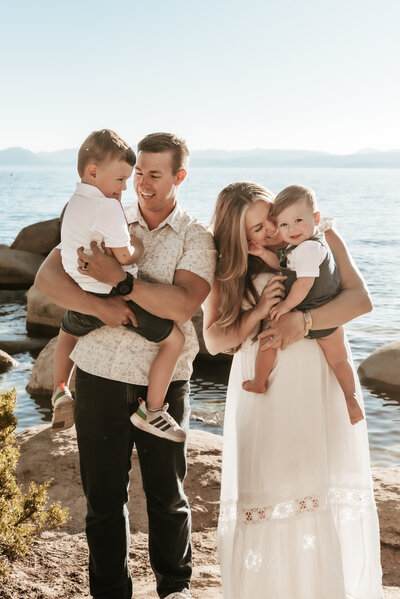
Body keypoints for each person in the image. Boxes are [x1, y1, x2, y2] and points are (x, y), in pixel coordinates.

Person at [35, 132, 216, 599]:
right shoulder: (106, 208)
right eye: (138, 173)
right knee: (103, 501)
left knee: (167, 497)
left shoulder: (196, 236)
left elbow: (182, 303)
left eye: (155, 174)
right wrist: (98, 308)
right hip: (96, 375)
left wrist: (119, 283)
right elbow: (48, 276)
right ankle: (110, 592)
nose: (142, 183)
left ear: (180, 177)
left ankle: (175, 587)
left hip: (164, 384)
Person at [203, 181, 382, 599]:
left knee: (320, 485)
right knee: (267, 488)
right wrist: (260, 312)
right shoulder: (226, 268)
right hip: (264, 385)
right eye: (254, 230)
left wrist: (300, 323)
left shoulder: (319, 235)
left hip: (317, 373)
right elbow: (214, 341)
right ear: (236, 235)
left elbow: (361, 301)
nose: (268, 232)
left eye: (269, 220)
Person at [51, 129, 186, 443]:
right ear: (94, 172)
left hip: (82, 294)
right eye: (125, 178)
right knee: (174, 341)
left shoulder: (74, 203)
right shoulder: (109, 207)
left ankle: (59, 391)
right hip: (115, 295)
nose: (128, 187)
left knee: (67, 334)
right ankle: (152, 411)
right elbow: (124, 254)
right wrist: (136, 246)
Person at [242, 183, 363, 425]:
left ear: (316, 218)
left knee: (268, 342)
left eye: (298, 220)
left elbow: (303, 284)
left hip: (314, 311)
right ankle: (350, 398)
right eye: (284, 224)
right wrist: (261, 253)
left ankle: (259, 380)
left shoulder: (309, 248)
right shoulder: (304, 246)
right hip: (329, 322)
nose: (291, 229)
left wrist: (285, 307)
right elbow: (283, 264)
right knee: (339, 361)